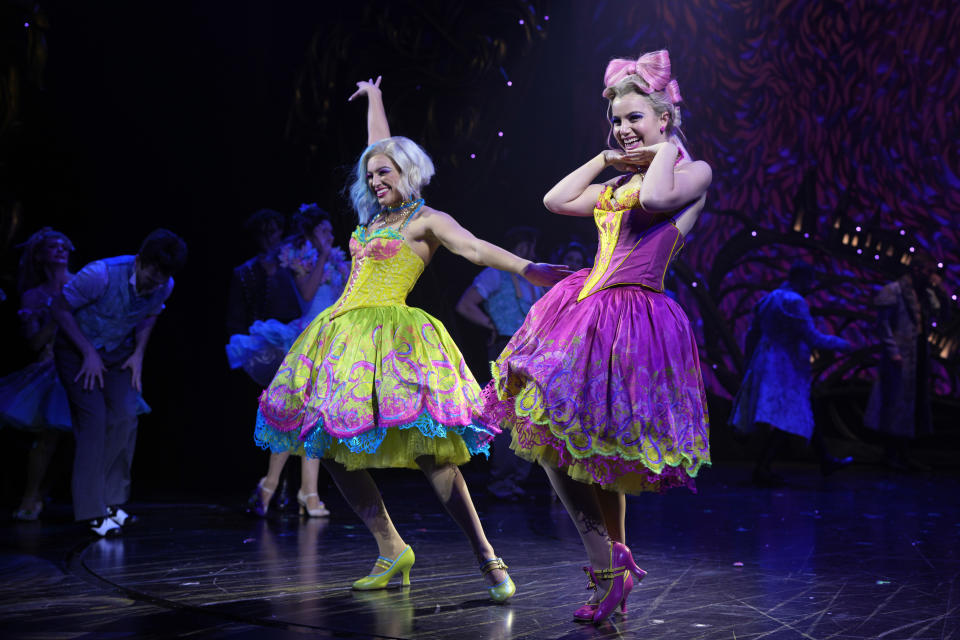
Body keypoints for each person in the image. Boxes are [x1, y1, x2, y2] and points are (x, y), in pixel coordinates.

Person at [254, 76, 569, 601]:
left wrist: (529, 268)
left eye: (385, 172)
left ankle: (487, 556)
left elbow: (474, 249)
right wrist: (375, 100)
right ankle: (390, 547)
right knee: (326, 442)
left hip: (393, 338)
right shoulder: (373, 217)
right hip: (338, 336)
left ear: (409, 172)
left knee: (430, 452)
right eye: (370, 174)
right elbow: (379, 147)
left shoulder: (428, 220)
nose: (375, 179)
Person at [481, 50, 712, 623]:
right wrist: (606, 156)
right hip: (584, 308)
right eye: (617, 120)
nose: (625, 129)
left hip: (634, 315)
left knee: (596, 445)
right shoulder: (616, 180)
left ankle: (610, 567)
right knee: (562, 436)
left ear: (665, 119)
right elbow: (555, 200)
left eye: (636, 117)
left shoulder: (692, 171)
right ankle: (608, 560)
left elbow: (658, 201)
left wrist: (658, 152)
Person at [51, 228, 187, 536]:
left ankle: (112, 502)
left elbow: (150, 315)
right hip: (78, 350)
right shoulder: (100, 274)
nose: (157, 280)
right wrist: (87, 351)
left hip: (119, 352)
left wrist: (138, 354)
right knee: (94, 423)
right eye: (153, 272)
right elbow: (58, 308)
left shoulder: (165, 286)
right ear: (140, 260)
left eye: (164, 276)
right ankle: (91, 511)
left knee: (126, 417)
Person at [229, 204, 349, 517]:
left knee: (314, 416)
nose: (329, 236)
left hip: (329, 341)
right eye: (323, 231)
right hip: (303, 341)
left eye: (330, 231)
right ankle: (285, 487)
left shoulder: (335, 261)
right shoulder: (298, 258)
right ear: (310, 233)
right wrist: (322, 254)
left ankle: (293, 489)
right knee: (292, 415)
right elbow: (307, 295)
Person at [728, 262, 853, 486]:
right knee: (789, 414)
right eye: (810, 281)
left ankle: (824, 459)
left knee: (799, 410)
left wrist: (750, 363)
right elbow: (814, 338)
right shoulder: (795, 302)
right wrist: (843, 344)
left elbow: (752, 334)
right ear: (803, 279)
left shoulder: (768, 298)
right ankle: (764, 467)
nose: (811, 286)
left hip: (765, 360)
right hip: (783, 365)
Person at [456, 226, 544, 499]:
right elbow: (466, 304)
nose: (533, 253)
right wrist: (489, 323)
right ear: (521, 249)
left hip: (533, 350)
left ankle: (516, 480)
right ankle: (502, 481)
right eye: (530, 248)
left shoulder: (533, 281)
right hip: (506, 347)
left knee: (530, 416)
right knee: (510, 415)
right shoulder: (495, 275)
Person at [863, 260, 940, 470]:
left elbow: (938, 312)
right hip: (899, 355)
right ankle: (891, 454)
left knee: (910, 404)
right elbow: (883, 325)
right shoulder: (894, 291)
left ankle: (904, 452)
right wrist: (893, 351)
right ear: (916, 269)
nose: (930, 275)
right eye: (928, 270)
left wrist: (936, 289)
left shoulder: (923, 294)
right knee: (893, 403)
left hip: (917, 353)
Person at [226, 209, 303, 386]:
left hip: (293, 337)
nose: (269, 239)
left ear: (281, 232)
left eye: (273, 232)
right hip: (262, 344)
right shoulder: (244, 272)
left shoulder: (294, 263)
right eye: (263, 234)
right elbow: (236, 317)